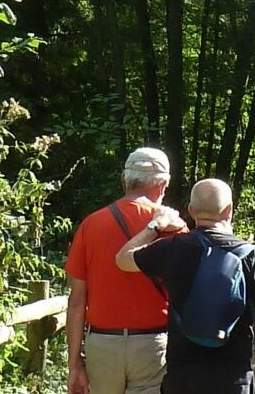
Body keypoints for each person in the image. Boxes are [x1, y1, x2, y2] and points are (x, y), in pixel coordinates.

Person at [115, 178, 255, 394]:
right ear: (229, 210)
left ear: (191, 210)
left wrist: (154, 226)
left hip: (182, 379)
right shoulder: (250, 256)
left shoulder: (172, 248)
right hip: (232, 380)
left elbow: (122, 259)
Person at [65, 147, 178, 394]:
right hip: (153, 345)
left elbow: (76, 301)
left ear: (124, 180)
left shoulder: (91, 225)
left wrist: (74, 364)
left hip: (102, 346)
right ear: (162, 184)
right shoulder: (174, 229)